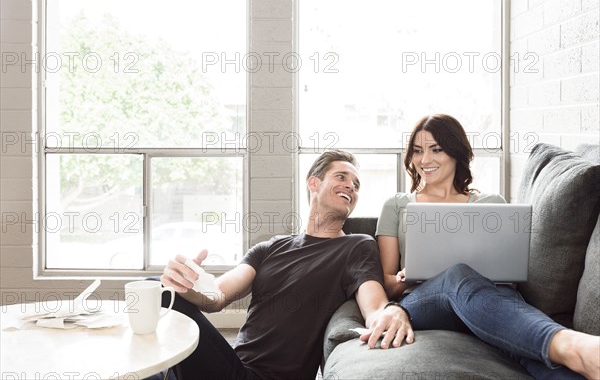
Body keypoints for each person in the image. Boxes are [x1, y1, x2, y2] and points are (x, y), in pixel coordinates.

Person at [376, 114, 600, 379]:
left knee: (520, 342)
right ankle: (571, 343)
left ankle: (585, 358)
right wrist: (412, 275)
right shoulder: (397, 205)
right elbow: (388, 283)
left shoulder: (491, 203)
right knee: (457, 274)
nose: (425, 160)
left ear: (456, 152)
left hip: (485, 300)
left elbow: (510, 277)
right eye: (417, 150)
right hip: (423, 302)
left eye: (436, 149)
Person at [159, 150, 414, 380]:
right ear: (314, 183)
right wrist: (188, 284)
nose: (351, 186)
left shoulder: (357, 246)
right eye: (341, 177)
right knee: (162, 291)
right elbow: (217, 296)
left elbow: (374, 305)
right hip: (233, 366)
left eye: (356, 185)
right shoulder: (270, 247)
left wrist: (392, 311)